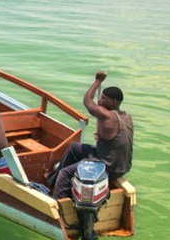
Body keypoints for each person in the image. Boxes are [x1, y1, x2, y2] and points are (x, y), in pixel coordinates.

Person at [49, 71, 134, 199]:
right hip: (122, 166)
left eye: (103, 98)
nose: (99, 99)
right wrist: (101, 134)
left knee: (64, 173)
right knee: (75, 148)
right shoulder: (126, 116)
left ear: (113, 102)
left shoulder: (107, 115)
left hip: (108, 167)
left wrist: (98, 81)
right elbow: (115, 137)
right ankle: (52, 182)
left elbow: (87, 101)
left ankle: (58, 202)